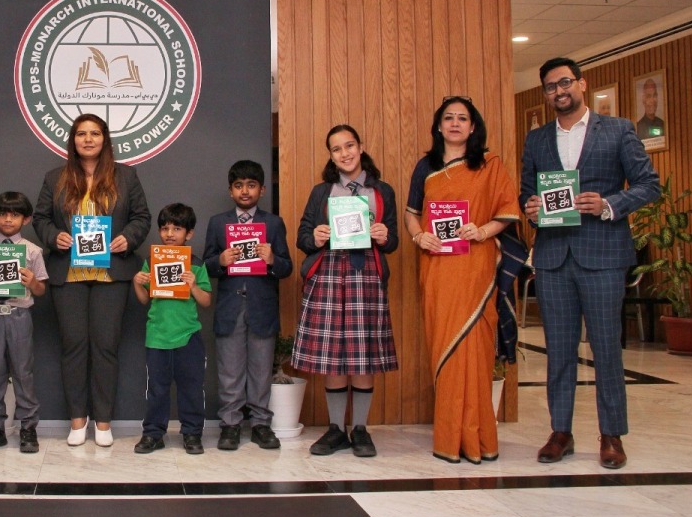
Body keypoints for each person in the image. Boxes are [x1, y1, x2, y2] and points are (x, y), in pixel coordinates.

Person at [521, 58, 660, 469]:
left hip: (603, 254)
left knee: (606, 349)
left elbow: (649, 185)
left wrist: (609, 204)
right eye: (551, 87)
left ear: (581, 84)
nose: (559, 91)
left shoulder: (617, 130)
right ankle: (560, 432)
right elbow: (527, 191)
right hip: (553, 257)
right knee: (559, 350)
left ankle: (612, 435)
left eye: (565, 82)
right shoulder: (537, 139)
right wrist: (530, 207)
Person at [405, 98, 519, 463]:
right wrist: (419, 236)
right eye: (448, 118)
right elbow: (411, 213)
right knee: (445, 349)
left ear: (473, 127)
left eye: (462, 118)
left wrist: (482, 231)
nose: (455, 123)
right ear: (439, 126)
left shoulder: (489, 165)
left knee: (476, 351)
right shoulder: (426, 166)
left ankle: (479, 439)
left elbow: (507, 211)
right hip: (438, 268)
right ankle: (450, 438)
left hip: (476, 268)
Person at [33, 113, 151, 447]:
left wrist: (128, 237)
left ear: (104, 139)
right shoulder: (55, 177)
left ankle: (103, 422)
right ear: (73, 140)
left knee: (105, 347)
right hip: (68, 273)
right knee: (73, 346)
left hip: (111, 273)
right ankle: (77, 421)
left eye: (95, 133)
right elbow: (41, 218)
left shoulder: (126, 175)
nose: (88, 139)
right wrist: (53, 236)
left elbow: (142, 217)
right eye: (81, 133)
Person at [295, 127, 398, 458]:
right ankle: (336, 429)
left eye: (349, 145)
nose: (345, 153)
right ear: (331, 155)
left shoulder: (381, 190)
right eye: (337, 149)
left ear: (361, 147)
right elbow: (302, 237)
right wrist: (315, 236)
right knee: (333, 357)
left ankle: (360, 429)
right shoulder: (322, 191)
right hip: (328, 274)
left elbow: (393, 240)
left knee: (362, 356)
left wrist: (384, 236)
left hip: (365, 274)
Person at [202, 160, 293, 451]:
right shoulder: (218, 223)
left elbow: (287, 267)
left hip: (262, 307)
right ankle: (230, 424)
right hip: (230, 307)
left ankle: (260, 424)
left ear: (262, 190)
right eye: (239, 185)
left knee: (261, 369)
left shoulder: (273, 223)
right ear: (230, 190)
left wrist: (272, 260)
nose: (245, 191)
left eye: (251, 185)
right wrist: (220, 261)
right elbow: (206, 265)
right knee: (229, 370)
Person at [131, 203, 212, 455]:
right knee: (156, 389)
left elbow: (206, 301)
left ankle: (192, 433)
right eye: (165, 228)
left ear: (189, 234)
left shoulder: (196, 264)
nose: (169, 234)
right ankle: (153, 433)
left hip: (188, 336)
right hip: (157, 336)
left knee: (191, 388)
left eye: (177, 229)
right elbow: (144, 300)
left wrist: (193, 286)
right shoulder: (151, 261)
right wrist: (137, 283)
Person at [0, 192, 48, 453]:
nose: (8, 219)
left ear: (25, 219)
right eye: (3, 214)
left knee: (23, 372)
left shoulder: (32, 251)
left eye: (14, 214)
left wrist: (32, 282)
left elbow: (41, 290)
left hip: (19, 314)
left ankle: (28, 426)